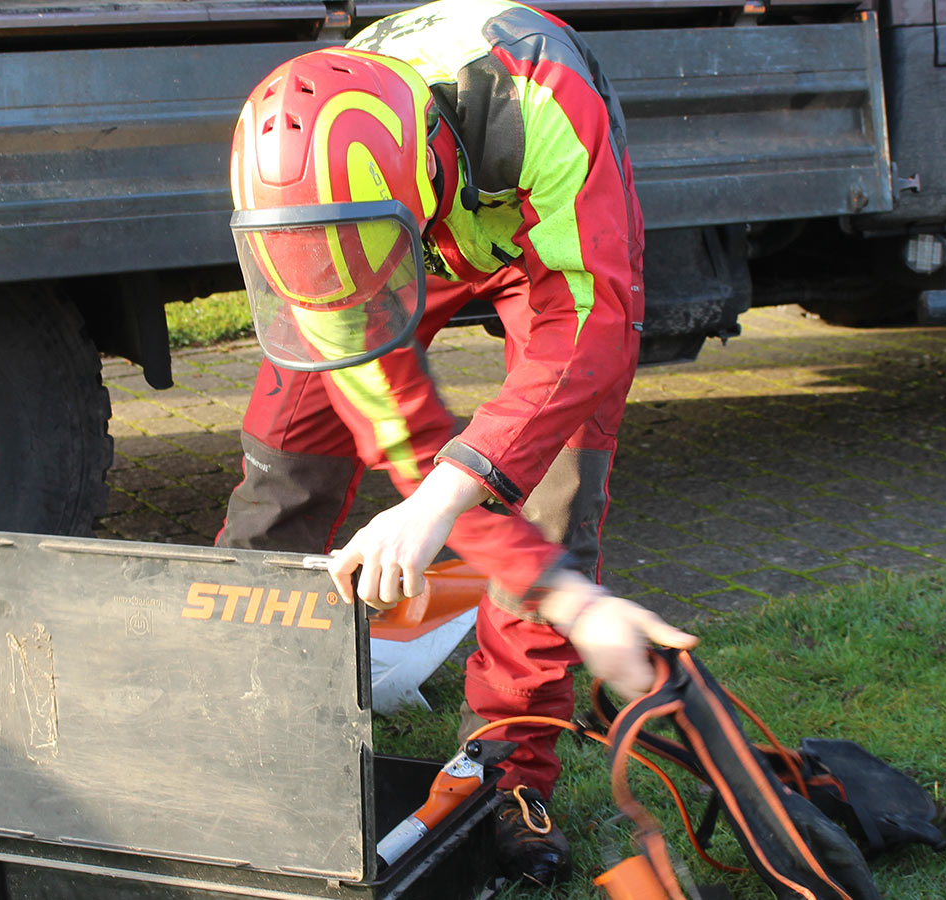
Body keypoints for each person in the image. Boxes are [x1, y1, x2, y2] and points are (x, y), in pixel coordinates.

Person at [218, 0, 696, 885]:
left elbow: (589, 328)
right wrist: (430, 495)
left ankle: (510, 773)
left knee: (549, 479)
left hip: (545, 237)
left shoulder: (543, 104)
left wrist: (500, 542)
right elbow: (403, 432)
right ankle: (238, 718)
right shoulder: (310, 190)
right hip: (391, 227)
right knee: (286, 461)